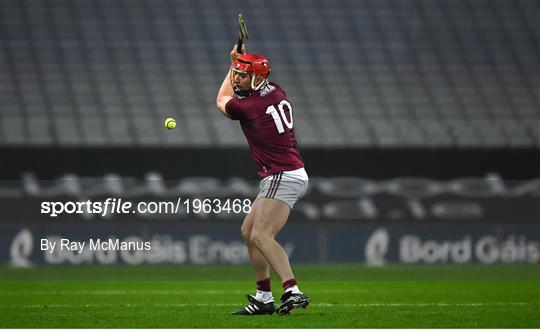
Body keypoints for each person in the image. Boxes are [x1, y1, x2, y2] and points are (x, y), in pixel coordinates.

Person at [216, 44, 310, 316]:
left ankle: (292, 290)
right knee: (248, 232)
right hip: (283, 173)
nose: (238, 79)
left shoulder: (249, 107)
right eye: (237, 74)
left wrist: (231, 62)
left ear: (257, 79)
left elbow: (221, 99)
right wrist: (240, 63)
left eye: (243, 75)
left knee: (261, 234)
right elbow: (248, 84)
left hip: (283, 174)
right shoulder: (276, 89)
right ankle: (263, 297)